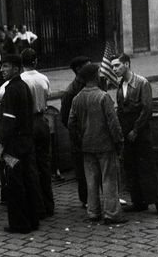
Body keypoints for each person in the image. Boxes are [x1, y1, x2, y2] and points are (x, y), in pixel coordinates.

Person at [68, 63, 126, 224]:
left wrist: (79, 140)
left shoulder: (77, 98)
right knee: (108, 179)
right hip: (105, 145)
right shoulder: (103, 97)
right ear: (95, 76)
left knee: (91, 180)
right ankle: (112, 213)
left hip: (87, 145)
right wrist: (119, 141)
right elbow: (113, 123)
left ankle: (93, 212)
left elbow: (71, 124)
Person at [112, 53, 158, 218]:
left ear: (127, 64)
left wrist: (135, 130)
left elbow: (147, 109)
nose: (114, 69)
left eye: (117, 65)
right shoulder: (120, 85)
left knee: (147, 167)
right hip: (126, 132)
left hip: (140, 132)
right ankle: (138, 202)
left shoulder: (142, 83)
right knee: (130, 167)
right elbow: (121, 110)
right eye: (113, 66)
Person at [0, 54, 42, 233]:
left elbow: (8, 122)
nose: (2, 70)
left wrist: (1, 145)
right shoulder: (24, 86)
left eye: (6, 66)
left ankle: (19, 224)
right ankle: (33, 220)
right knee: (28, 180)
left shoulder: (11, 90)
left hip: (13, 148)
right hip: (26, 143)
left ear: (16, 69)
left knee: (15, 183)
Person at [20, 48, 54, 217]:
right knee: (45, 164)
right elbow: (47, 95)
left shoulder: (19, 80)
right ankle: (49, 205)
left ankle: (37, 206)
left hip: (27, 123)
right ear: (35, 61)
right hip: (42, 121)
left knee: (31, 166)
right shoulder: (43, 78)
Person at [60, 55, 91, 208]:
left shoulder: (92, 84)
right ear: (79, 70)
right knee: (82, 170)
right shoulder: (71, 92)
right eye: (88, 65)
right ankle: (86, 200)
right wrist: (79, 133)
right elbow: (65, 119)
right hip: (79, 138)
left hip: (93, 136)